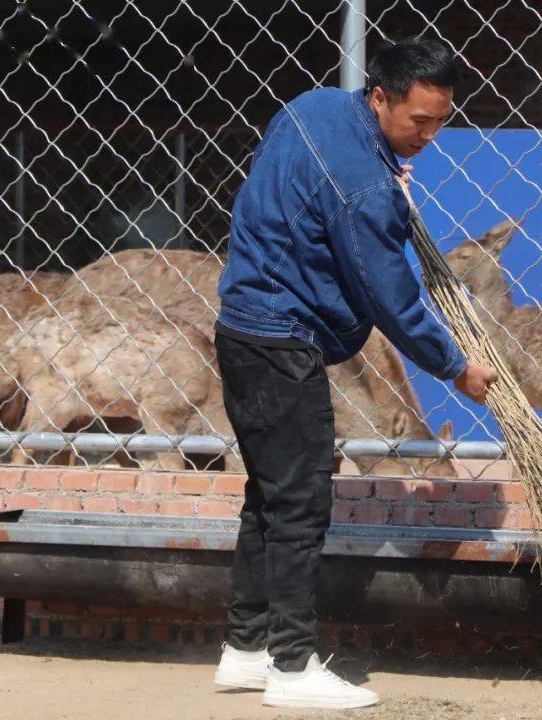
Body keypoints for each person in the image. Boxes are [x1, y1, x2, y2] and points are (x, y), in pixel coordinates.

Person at [211, 36, 498, 710]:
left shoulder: (314, 108)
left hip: (242, 328)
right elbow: (391, 298)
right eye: (415, 122)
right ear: (380, 98)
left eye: (439, 121)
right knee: (303, 500)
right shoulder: (367, 185)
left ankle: (245, 650)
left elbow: (309, 198)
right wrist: (456, 368)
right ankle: (291, 666)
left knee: (272, 496)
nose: (426, 136)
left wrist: (386, 174)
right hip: (282, 342)